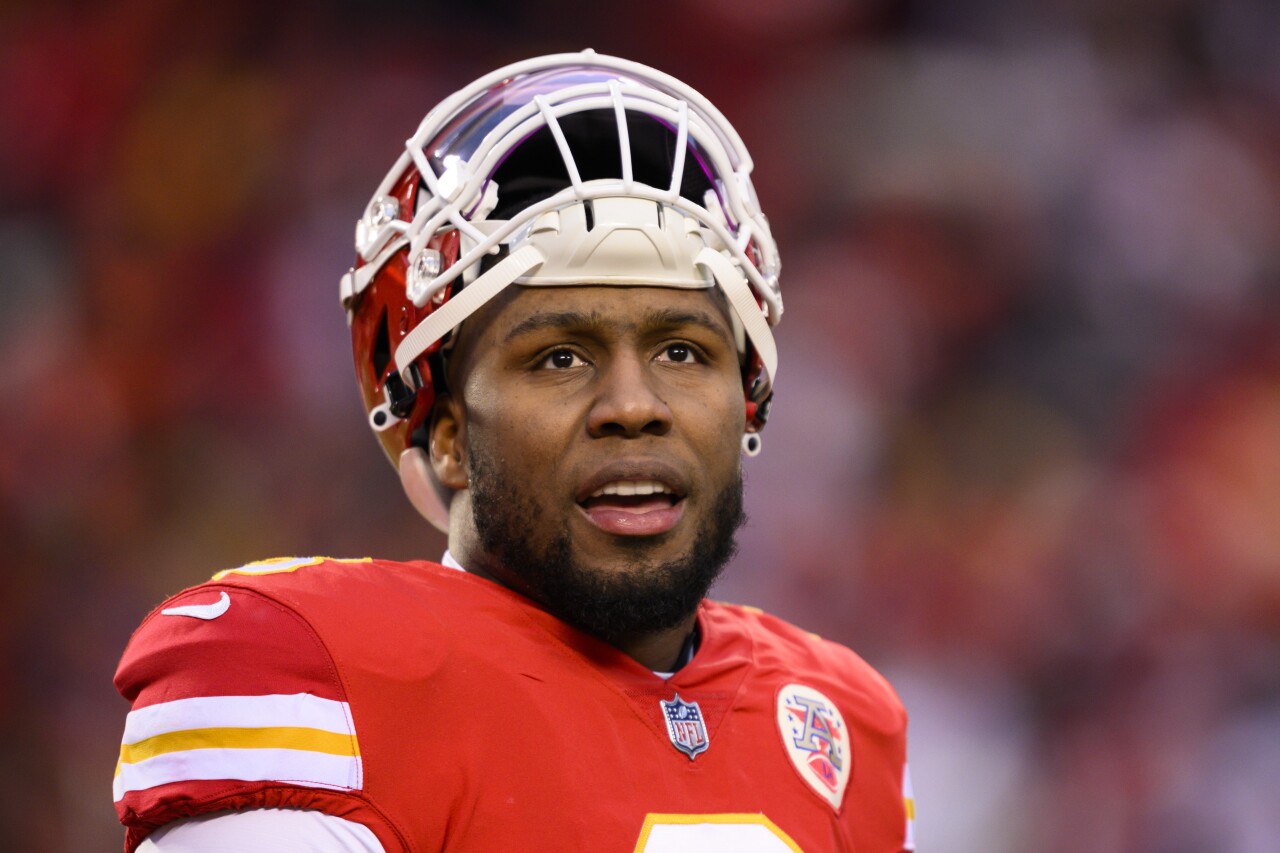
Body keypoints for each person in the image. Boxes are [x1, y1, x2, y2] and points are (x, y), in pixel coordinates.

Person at [111, 50, 916, 852]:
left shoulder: (841, 718)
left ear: (747, 401)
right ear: (450, 435)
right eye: (560, 356)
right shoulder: (315, 674)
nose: (634, 407)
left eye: (683, 352)